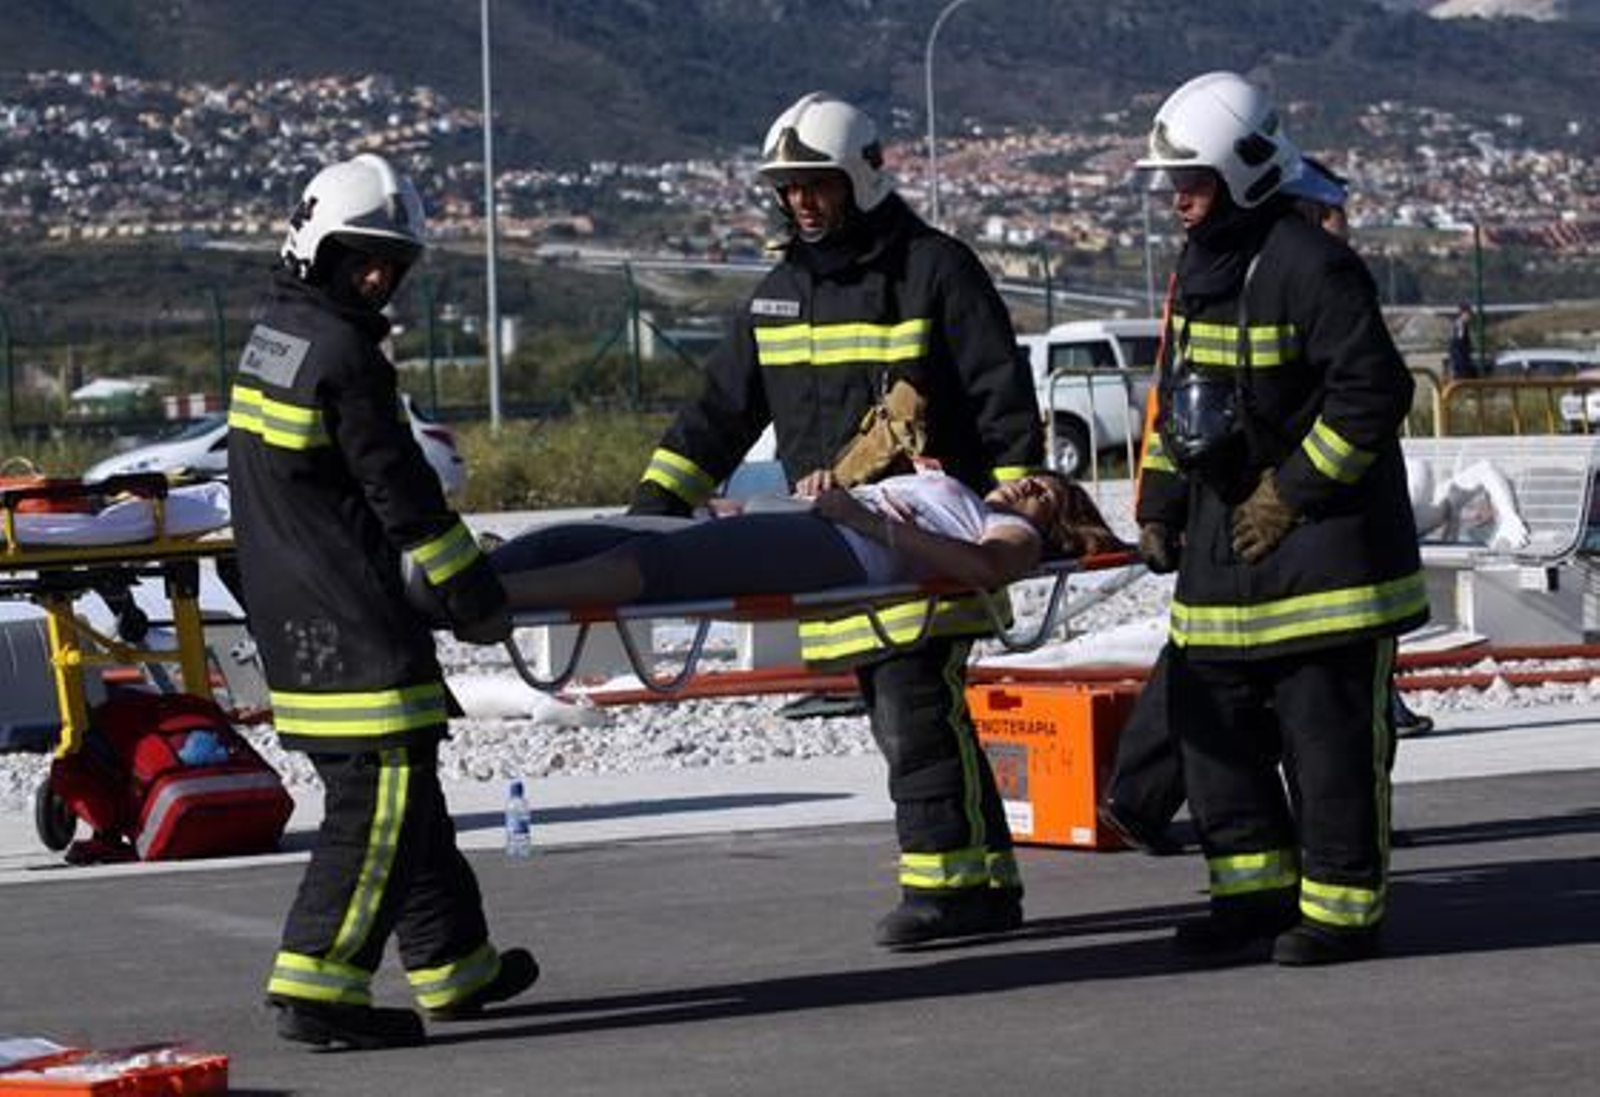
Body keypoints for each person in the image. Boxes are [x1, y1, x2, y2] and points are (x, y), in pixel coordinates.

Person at [625, 91, 1046, 948]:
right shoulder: (782, 295)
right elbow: (718, 413)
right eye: (788, 188)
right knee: (916, 707)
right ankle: (986, 881)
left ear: (858, 178)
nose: (802, 202)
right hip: (840, 542)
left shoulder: (933, 271)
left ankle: (946, 889)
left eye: (816, 184)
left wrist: (1014, 511)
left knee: (913, 705)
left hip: (926, 533)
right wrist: (651, 511)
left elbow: (1003, 396)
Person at [228, 153, 536, 1050]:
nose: (376, 277)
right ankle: (318, 983)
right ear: (317, 247)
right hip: (353, 623)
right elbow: (402, 494)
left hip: (294, 614)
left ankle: (454, 962)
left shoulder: (275, 334)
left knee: (412, 799)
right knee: (379, 809)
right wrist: (474, 591)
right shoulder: (346, 355)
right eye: (362, 259)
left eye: (389, 264)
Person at [1133, 72, 1429, 966]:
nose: (1176, 198)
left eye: (1193, 179)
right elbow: (1180, 400)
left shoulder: (1313, 266)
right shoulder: (1202, 269)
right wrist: (1158, 503)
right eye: (1170, 181)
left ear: (1247, 172)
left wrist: (1289, 492)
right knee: (1211, 728)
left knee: (1327, 741)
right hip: (1228, 559)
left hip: (1329, 563)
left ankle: (1342, 911)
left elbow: (1374, 394)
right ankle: (1252, 897)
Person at [465, 471, 1121, 613]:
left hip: (837, 547)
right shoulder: (969, 497)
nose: (1020, 486)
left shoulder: (1017, 535)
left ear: (1059, 521)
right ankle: (464, 571)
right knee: (585, 532)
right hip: (810, 519)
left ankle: (483, 594)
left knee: (647, 563)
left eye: (1041, 490)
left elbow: (983, 567)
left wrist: (868, 520)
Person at [1448, 302, 1478, 380]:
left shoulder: (1461, 324)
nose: (1470, 316)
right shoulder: (1460, 324)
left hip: (1460, 355)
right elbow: (1458, 342)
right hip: (1459, 356)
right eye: (1469, 314)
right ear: (1463, 313)